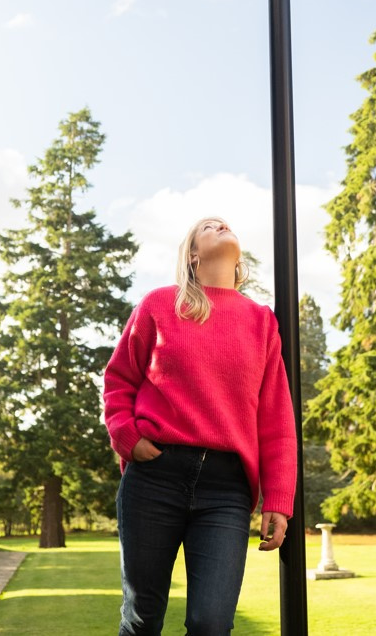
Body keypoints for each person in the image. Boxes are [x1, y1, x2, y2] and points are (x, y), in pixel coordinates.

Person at [103, 217, 297, 635]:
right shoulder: (159, 305)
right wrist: (126, 436)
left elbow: (277, 417)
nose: (221, 225)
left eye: (225, 224)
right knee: (142, 618)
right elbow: (119, 380)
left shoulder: (261, 321)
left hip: (226, 490)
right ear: (192, 255)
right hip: (155, 477)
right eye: (208, 226)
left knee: (211, 624)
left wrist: (278, 499)